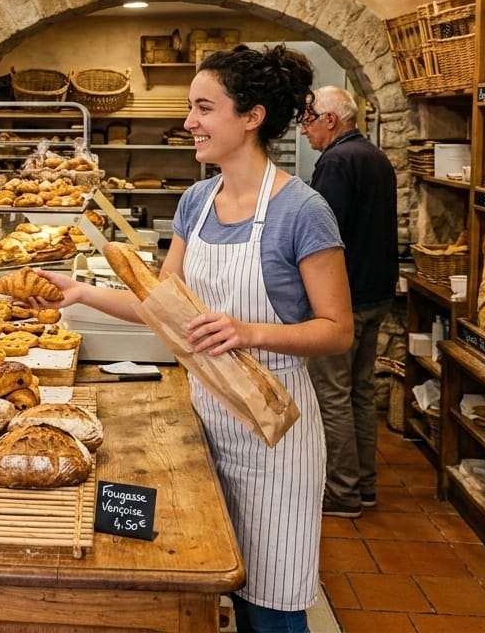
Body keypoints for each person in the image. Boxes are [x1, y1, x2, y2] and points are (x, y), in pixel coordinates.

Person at [30, 45, 352, 632]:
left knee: (272, 608)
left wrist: (247, 330)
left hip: (272, 433)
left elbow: (337, 331)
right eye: (189, 108)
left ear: (251, 117)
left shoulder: (304, 210)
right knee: (207, 589)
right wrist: (78, 294)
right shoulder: (195, 202)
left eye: (203, 108)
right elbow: (163, 308)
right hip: (206, 419)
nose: (188, 123)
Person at [299, 85, 398, 519]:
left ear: (330, 120)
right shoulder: (374, 156)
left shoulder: (337, 162)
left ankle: (341, 493)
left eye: (308, 121)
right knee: (360, 392)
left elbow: (322, 235)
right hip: (376, 293)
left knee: (332, 394)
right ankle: (365, 486)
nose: (304, 130)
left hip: (345, 299)